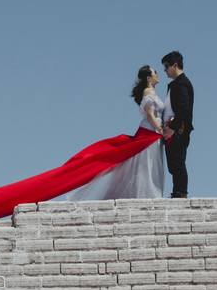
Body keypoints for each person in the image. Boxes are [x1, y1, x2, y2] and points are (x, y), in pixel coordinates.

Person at [68, 65, 166, 201]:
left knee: (151, 162)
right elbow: (150, 114)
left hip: (154, 130)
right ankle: (147, 195)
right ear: (149, 78)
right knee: (147, 163)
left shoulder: (151, 91)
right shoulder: (149, 92)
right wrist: (160, 129)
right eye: (155, 72)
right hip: (150, 130)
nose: (158, 74)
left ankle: (150, 194)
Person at [160, 51, 194, 198]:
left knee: (178, 163)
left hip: (179, 131)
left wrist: (172, 129)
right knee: (173, 165)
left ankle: (181, 193)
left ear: (175, 65)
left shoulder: (182, 84)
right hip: (172, 131)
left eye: (166, 66)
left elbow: (183, 110)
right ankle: (177, 192)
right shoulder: (175, 84)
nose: (164, 70)